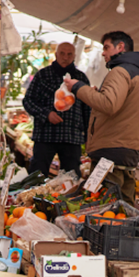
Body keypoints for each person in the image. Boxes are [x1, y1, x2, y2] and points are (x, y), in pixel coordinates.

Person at [65, 31, 139, 205]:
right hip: (128, 151)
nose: (103, 53)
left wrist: (78, 88)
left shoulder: (119, 72)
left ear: (120, 47)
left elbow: (109, 104)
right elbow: (122, 107)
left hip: (110, 152)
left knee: (101, 208)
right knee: (125, 207)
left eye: (106, 48)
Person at [22, 42, 91, 177]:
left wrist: (88, 136)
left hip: (72, 136)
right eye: (62, 53)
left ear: (74, 56)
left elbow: (88, 110)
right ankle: (33, 197)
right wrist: (46, 114)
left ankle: (66, 198)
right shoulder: (43, 75)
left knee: (72, 178)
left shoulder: (81, 78)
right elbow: (28, 101)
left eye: (69, 54)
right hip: (45, 135)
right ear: (56, 55)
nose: (65, 57)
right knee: (37, 176)